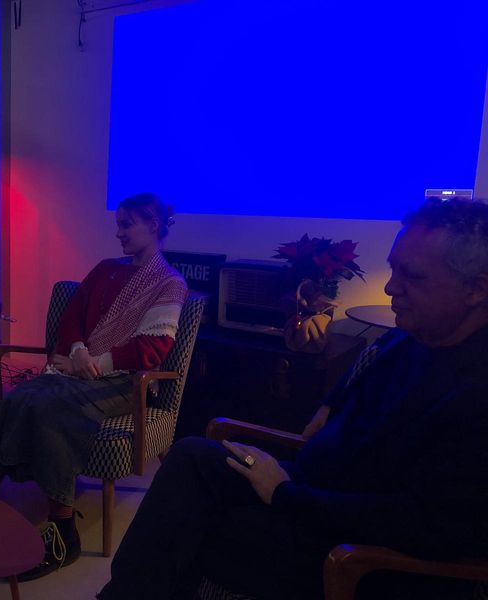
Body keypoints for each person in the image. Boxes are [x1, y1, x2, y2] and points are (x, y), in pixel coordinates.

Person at [98, 197, 488, 600]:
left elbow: (425, 526)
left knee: (183, 527)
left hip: (349, 546)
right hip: (311, 486)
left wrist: (284, 494)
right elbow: (370, 362)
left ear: (476, 289)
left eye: (413, 276)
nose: (391, 287)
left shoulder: (475, 394)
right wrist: (331, 403)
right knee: (192, 457)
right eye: (393, 269)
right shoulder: (418, 335)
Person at [0, 192, 187, 581]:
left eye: (127, 225)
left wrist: (93, 363)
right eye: (118, 224)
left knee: (51, 408)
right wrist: (76, 350)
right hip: (78, 367)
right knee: (16, 398)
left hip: (125, 381)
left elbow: (154, 346)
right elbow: (72, 316)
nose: (118, 232)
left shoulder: (169, 283)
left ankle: (63, 534)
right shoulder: (106, 268)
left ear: (153, 225)